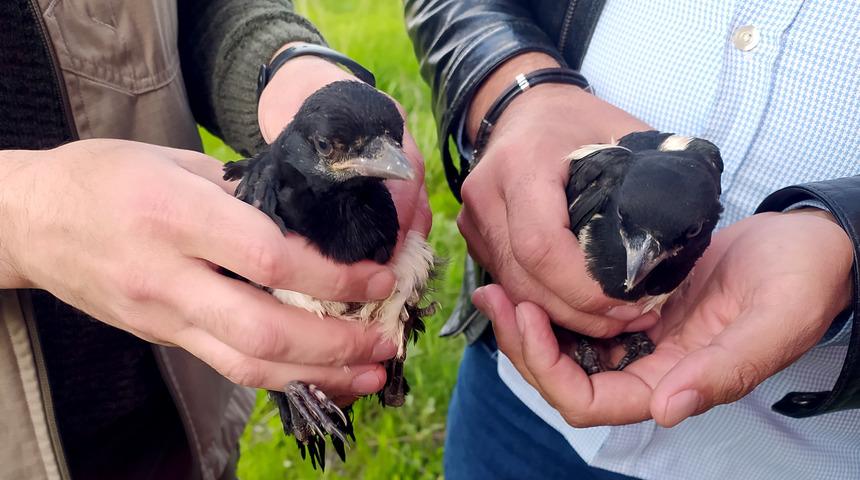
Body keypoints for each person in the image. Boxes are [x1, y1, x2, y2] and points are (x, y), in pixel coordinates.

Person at [406, 1, 860, 479]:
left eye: (670, 241)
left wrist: (848, 243)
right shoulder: (600, 181)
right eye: (629, 229)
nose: (639, 258)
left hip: (785, 457)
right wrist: (514, 90)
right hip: (516, 395)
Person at [0, 1, 428, 479]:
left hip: (182, 418)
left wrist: (283, 59)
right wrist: (18, 217)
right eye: (333, 147)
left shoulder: (353, 196)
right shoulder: (269, 203)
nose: (389, 163)